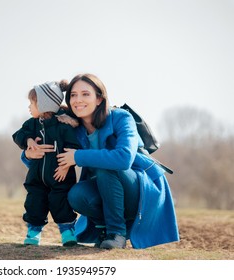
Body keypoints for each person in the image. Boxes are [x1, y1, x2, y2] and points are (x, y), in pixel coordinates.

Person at [23, 73, 179, 249]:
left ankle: (116, 233)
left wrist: (77, 157)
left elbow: (123, 159)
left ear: (99, 99)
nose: (78, 100)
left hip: (138, 190)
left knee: (106, 166)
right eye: (73, 95)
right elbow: (46, 155)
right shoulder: (72, 127)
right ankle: (103, 229)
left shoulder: (121, 117)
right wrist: (29, 154)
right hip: (106, 189)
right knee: (76, 194)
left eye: (85, 94)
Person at [12, 80, 81, 246]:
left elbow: (74, 147)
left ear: (44, 105)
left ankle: (67, 233)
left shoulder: (63, 127)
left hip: (60, 177)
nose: (29, 107)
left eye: (32, 103)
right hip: (36, 178)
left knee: (61, 204)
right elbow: (17, 135)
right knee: (34, 204)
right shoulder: (31, 125)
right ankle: (33, 233)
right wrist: (28, 140)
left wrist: (66, 167)